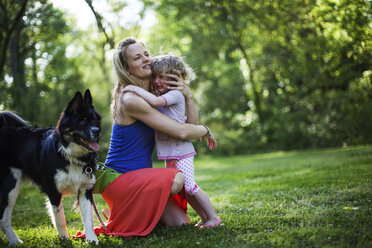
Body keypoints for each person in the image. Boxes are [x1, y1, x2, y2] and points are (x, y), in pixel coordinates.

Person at [75, 37, 218, 239]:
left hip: (141, 177)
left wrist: (188, 96)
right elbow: (183, 132)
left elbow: (187, 126)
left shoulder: (153, 94)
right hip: (120, 178)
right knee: (177, 178)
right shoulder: (131, 99)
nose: (146, 60)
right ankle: (127, 209)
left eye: (146, 55)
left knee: (180, 223)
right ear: (126, 68)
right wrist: (205, 130)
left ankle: (130, 211)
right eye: (137, 58)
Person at [123, 55, 221, 227]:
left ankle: (213, 217)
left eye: (163, 77)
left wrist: (132, 88)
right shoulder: (165, 95)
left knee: (191, 187)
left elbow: (153, 102)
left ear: (177, 78)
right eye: (156, 76)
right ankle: (205, 218)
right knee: (185, 190)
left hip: (181, 152)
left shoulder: (175, 94)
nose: (158, 81)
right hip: (171, 154)